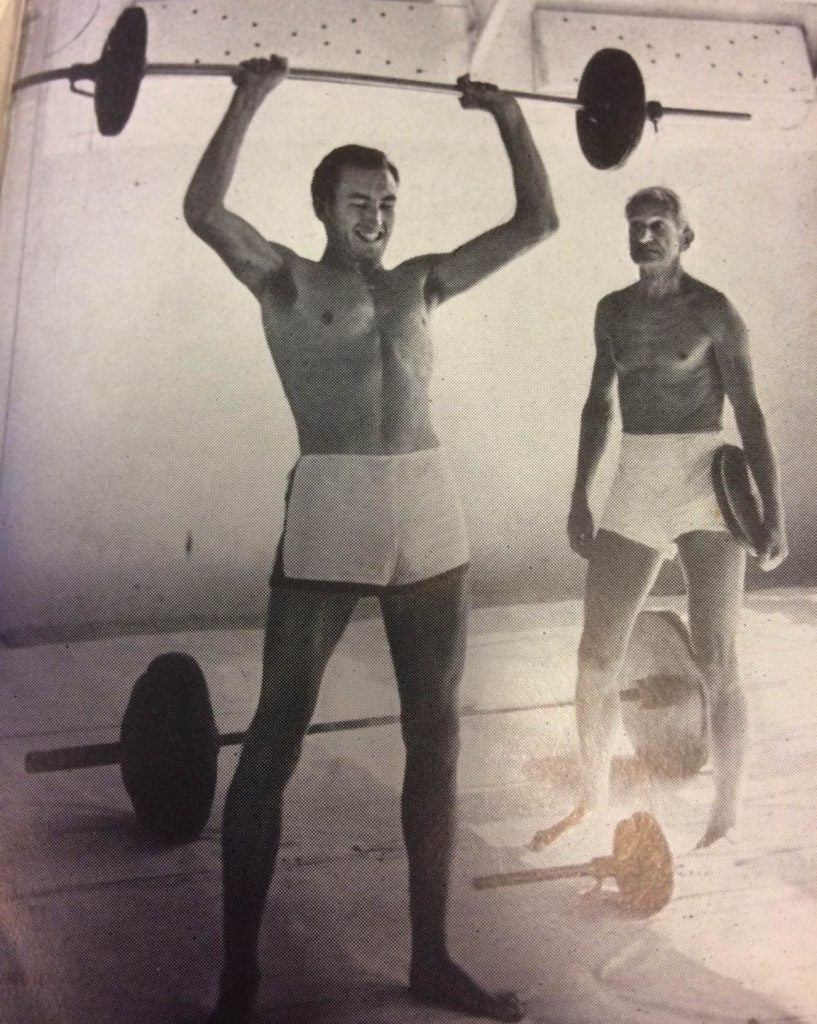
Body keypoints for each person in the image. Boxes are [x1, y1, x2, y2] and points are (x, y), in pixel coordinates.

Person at [183, 55, 558, 1024]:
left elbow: (536, 224)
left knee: (438, 732)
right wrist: (249, 97)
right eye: (360, 202)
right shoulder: (285, 280)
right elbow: (205, 211)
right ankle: (237, 978)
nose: (377, 217)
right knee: (276, 735)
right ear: (324, 206)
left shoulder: (421, 283)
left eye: (387, 203)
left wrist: (507, 114)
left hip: (426, 505)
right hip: (334, 500)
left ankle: (431, 958)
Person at [530, 186, 787, 855]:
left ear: (684, 237)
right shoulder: (612, 311)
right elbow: (597, 406)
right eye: (635, 226)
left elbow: (751, 413)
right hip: (638, 474)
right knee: (596, 653)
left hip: (705, 476)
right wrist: (578, 495)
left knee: (717, 654)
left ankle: (726, 810)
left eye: (657, 226)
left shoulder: (713, 310)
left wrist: (773, 515)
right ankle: (592, 793)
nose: (644, 236)